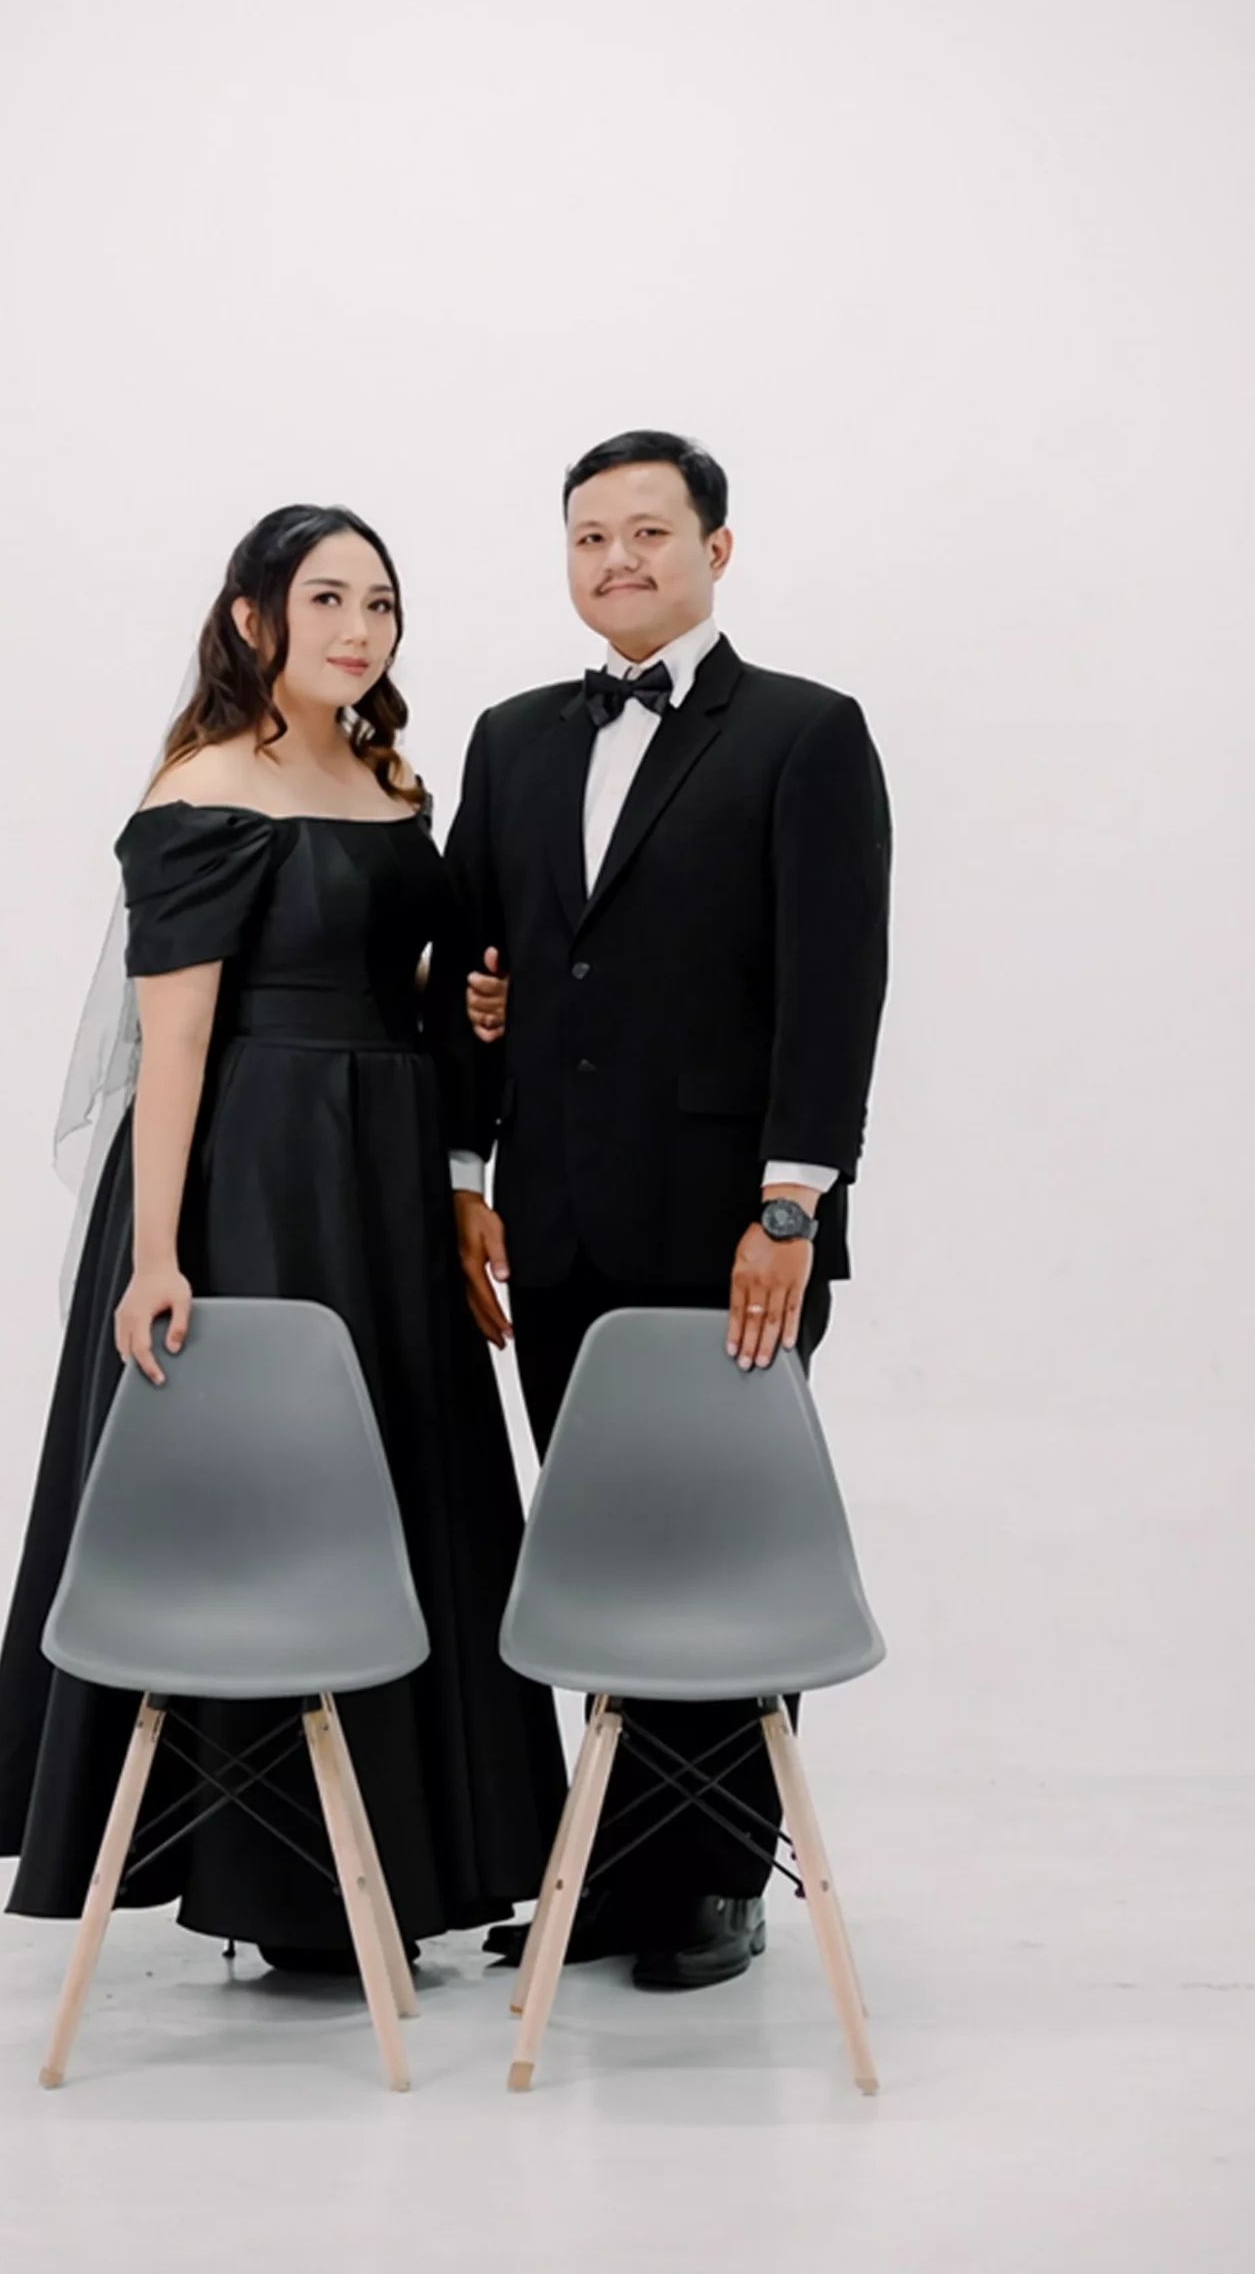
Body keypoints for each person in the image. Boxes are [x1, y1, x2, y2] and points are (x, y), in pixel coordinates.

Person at [0, 503, 568, 1969]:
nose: (360, 629)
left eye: (381, 602)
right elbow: (174, 1046)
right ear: (254, 619)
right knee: (290, 1498)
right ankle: (281, 1883)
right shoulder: (205, 785)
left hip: (388, 1171)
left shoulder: (387, 774)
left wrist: (460, 1007)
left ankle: (417, 1864)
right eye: (327, 600)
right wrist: (156, 1256)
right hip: (260, 1174)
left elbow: (385, 969)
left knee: (403, 1473)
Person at [428, 428, 892, 1993]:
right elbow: (476, 970)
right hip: (553, 1219)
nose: (616, 559)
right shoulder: (509, 739)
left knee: (721, 1544)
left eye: (647, 531)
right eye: (588, 537)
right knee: (605, 1540)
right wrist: (466, 1177)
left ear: (715, 549)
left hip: (728, 1229)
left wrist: (793, 1205)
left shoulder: (806, 733)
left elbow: (834, 986)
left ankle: (719, 1879)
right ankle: (622, 1877)